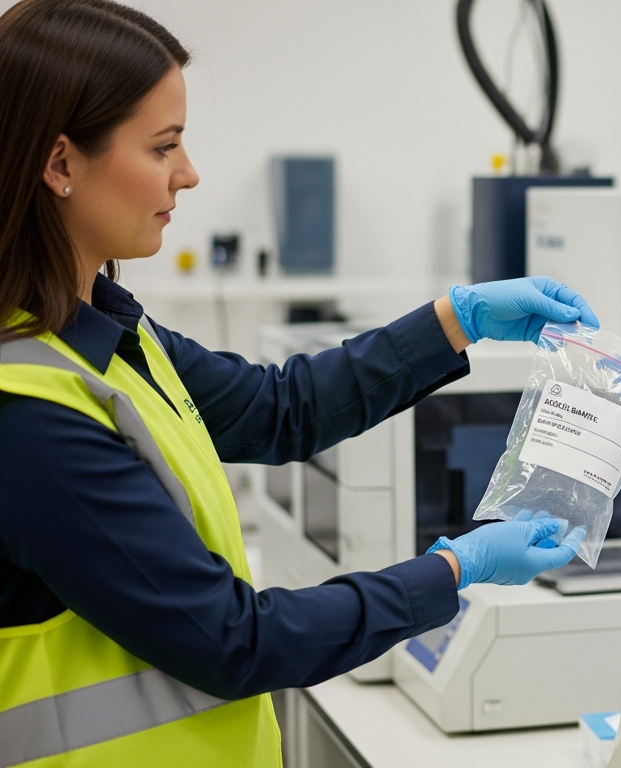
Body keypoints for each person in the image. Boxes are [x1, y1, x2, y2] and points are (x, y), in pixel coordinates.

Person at [0, 1, 590, 765]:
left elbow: (281, 410)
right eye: (164, 145)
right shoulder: (28, 413)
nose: (189, 172)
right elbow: (235, 641)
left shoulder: (108, 336)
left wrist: (457, 318)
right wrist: (455, 567)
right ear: (59, 164)